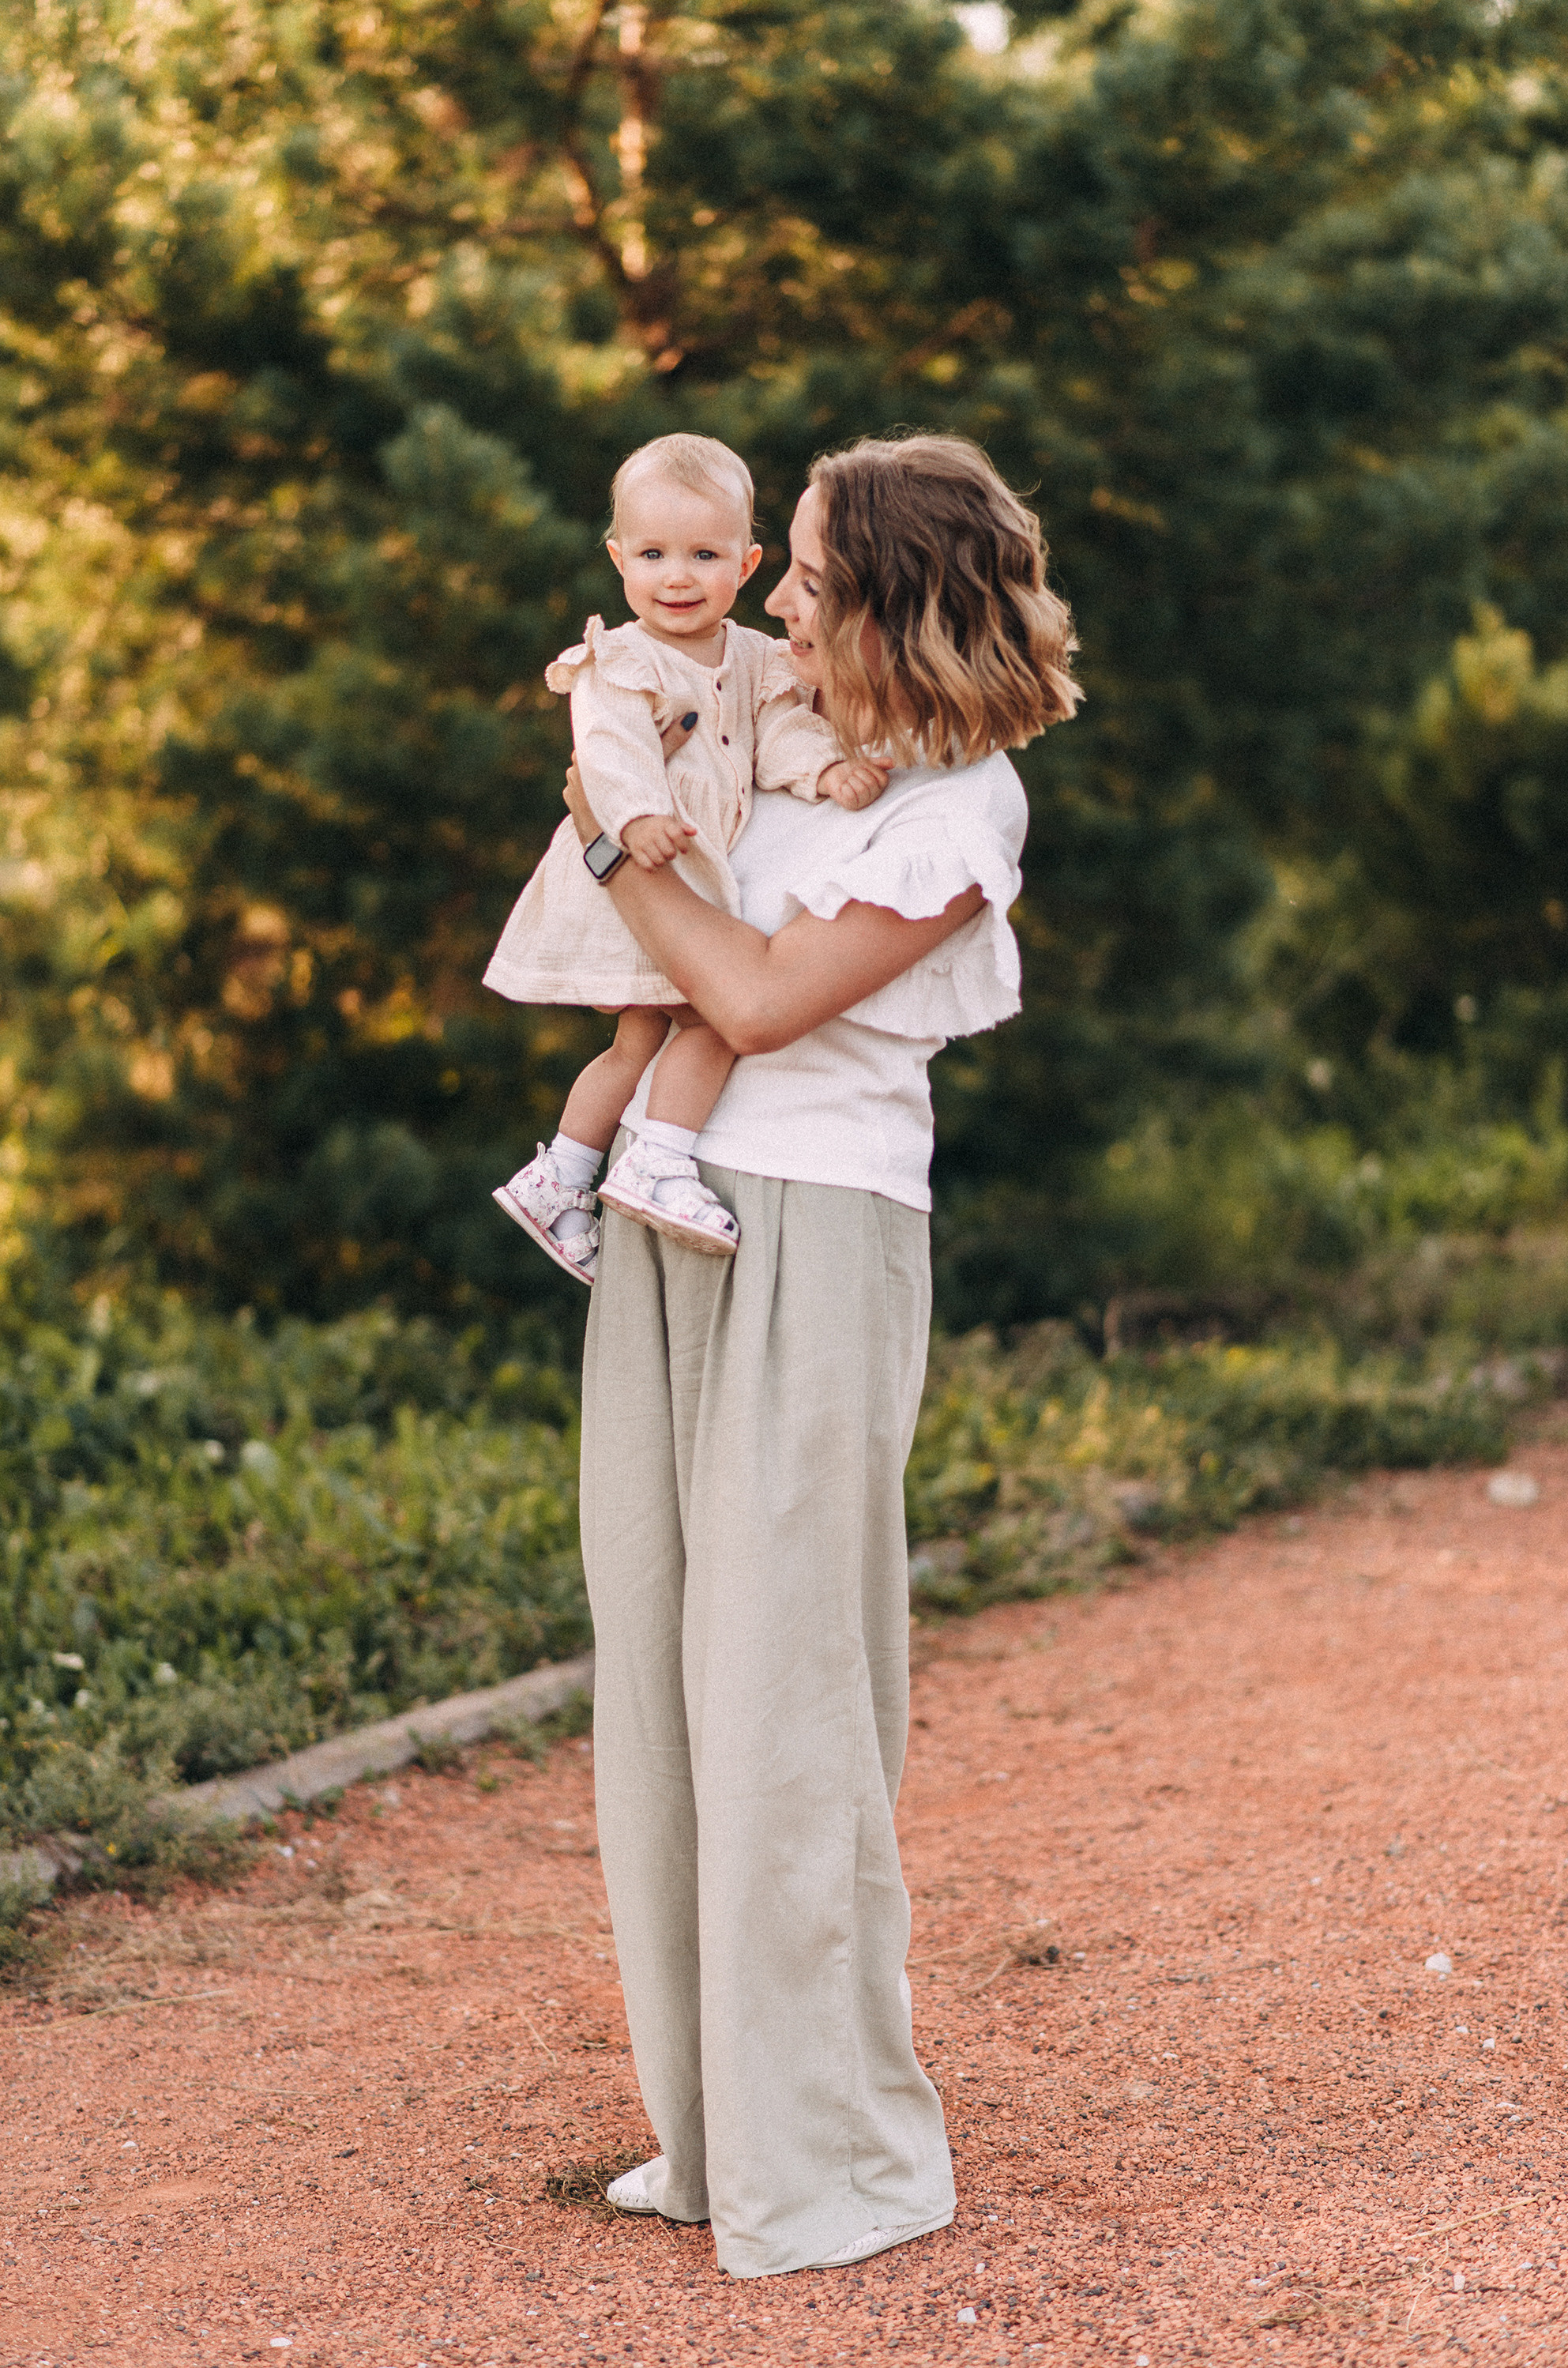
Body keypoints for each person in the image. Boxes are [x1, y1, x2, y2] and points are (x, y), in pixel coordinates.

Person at [568, 432, 1080, 2279]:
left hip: (820, 1228)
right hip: (670, 1211)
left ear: (887, 596)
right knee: (662, 1680)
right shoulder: (775, 731)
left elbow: (761, 996)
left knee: (785, 1696)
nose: (775, 595)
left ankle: (839, 2154)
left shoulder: (961, 807)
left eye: (804, 570)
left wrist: (604, 840)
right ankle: (716, 2132)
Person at [482, 432, 889, 1282]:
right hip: (647, 860)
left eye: (703, 555)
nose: (677, 576)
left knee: (637, 1042)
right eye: (653, 555)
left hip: (686, 871)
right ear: (617, 559)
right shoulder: (620, 658)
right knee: (706, 1022)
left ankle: (560, 1175)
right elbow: (610, 751)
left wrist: (823, 771)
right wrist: (635, 820)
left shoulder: (755, 658)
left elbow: (779, 733)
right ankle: (660, 1160)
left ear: (746, 564)